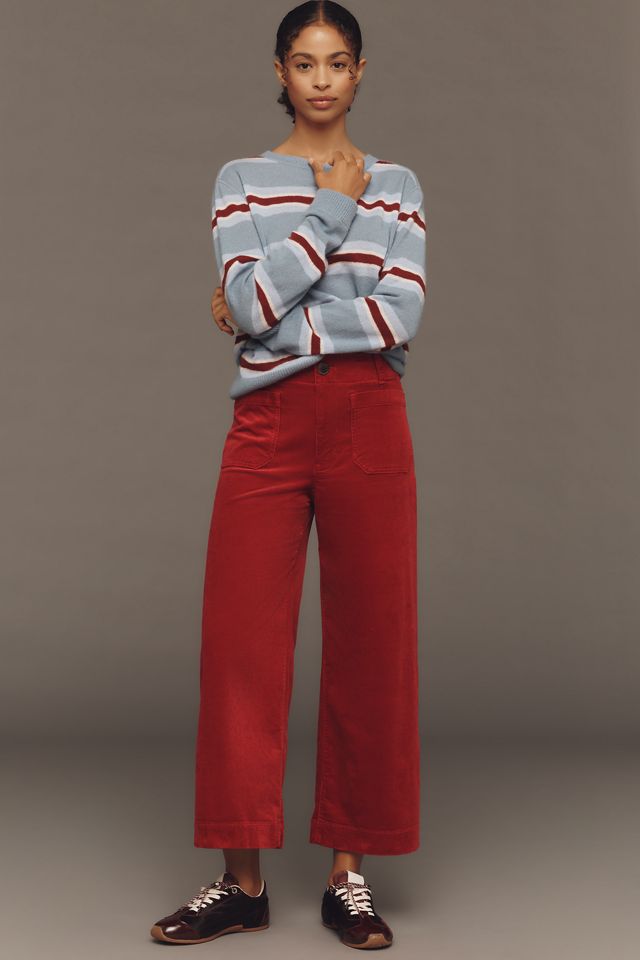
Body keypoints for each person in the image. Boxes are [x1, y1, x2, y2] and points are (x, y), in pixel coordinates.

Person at [150, 0, 427, 949]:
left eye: (337, 61)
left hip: (369, 421)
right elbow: (248, 296)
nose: (321, 79)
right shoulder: (241, 179)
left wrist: (267, 322)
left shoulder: (402, 185)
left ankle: (350, 875)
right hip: (265, 427)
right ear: (280, 72)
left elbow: (396, 316)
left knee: (373, 643)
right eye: (304, 62)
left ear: (360, 73)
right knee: (239, 646)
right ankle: (242, 883)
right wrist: (332, 212)